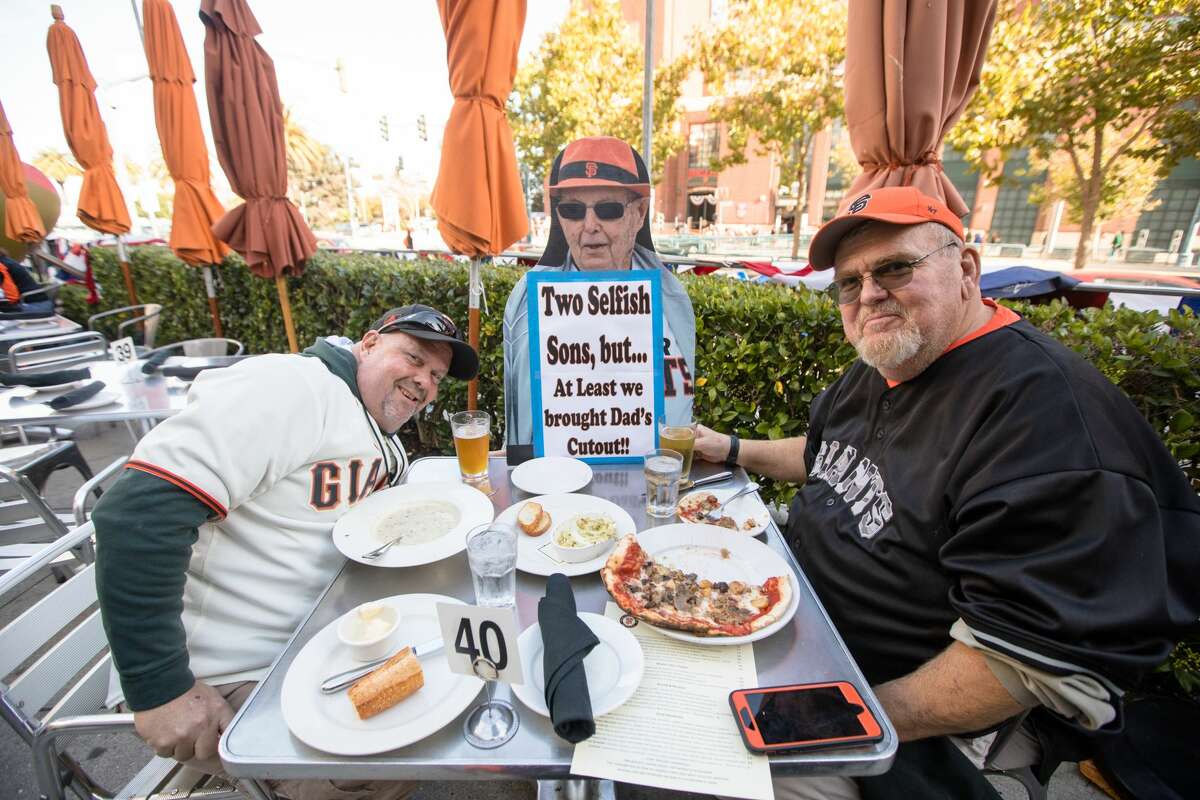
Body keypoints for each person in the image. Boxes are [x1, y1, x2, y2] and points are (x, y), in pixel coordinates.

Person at [695, 186, 1200, 799]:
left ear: (965, 269)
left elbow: (1017, 663)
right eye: (849, 283)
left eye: (895, 268)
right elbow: (825, 454)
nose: (870, 293)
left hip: (909, 712)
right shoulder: (890, 360)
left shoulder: (1043, 419)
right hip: (796, 624)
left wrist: (834, 716)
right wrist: (730, 449)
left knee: (704, 761)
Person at [93, 304, 478, 800]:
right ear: (368, 342)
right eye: (413, 356)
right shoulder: (293, 387)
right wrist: (160, 689)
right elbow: (136, 513)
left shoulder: (371, 425)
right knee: (396, 760)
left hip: (319, 642)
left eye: (435, 375)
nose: (424, 381)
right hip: (229, 674)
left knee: (461, 669)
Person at [502, 136, 696, 446]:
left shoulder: (671, 299)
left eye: (608, 210)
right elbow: (519, 422)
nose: (589, 225)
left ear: (640, 213)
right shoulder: (527, 301)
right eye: (572, 210)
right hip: (554, 485)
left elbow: (680, 419)